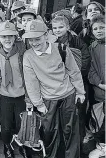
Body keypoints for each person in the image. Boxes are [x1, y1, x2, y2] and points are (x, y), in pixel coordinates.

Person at [22, 20, 85, 158]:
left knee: (70, 131)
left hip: (68, 95)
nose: (34, 43)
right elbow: (31, 83)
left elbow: (73, 71)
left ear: (46, 35)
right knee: (49, 132)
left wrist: (80, 91)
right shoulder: (28, 56)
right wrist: (38, 104)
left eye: (37, 38)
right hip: (48, 99)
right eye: (31, 40)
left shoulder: (61, 48)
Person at [52, 15, 91, 149]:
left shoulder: (76, 41)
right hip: (59, 83)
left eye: (61, 27)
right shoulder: (51, 41)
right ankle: (60, 145)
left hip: (77, 81)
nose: (58, 30)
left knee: (78, 114)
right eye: (55, 28)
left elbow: (85, 58)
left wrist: (76, 76)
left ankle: (78, 145)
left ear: (68, 27)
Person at [0, 21, 28, 158]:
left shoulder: (22, 52)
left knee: (21, 124)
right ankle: (7, 146)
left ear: (15, 37)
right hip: (4, 95)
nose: (7, 39)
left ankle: (21, 145)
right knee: (5, 125)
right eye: (3, 36)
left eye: (10, 36)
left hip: (21, 95)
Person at [88, 14, 105, 158]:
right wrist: (101, 84)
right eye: (96, 29)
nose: (99, 31)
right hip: (100, 93)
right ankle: (102, 147)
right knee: (100, 122)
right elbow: (91, 70)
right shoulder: (92, 48)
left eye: (102, 27)